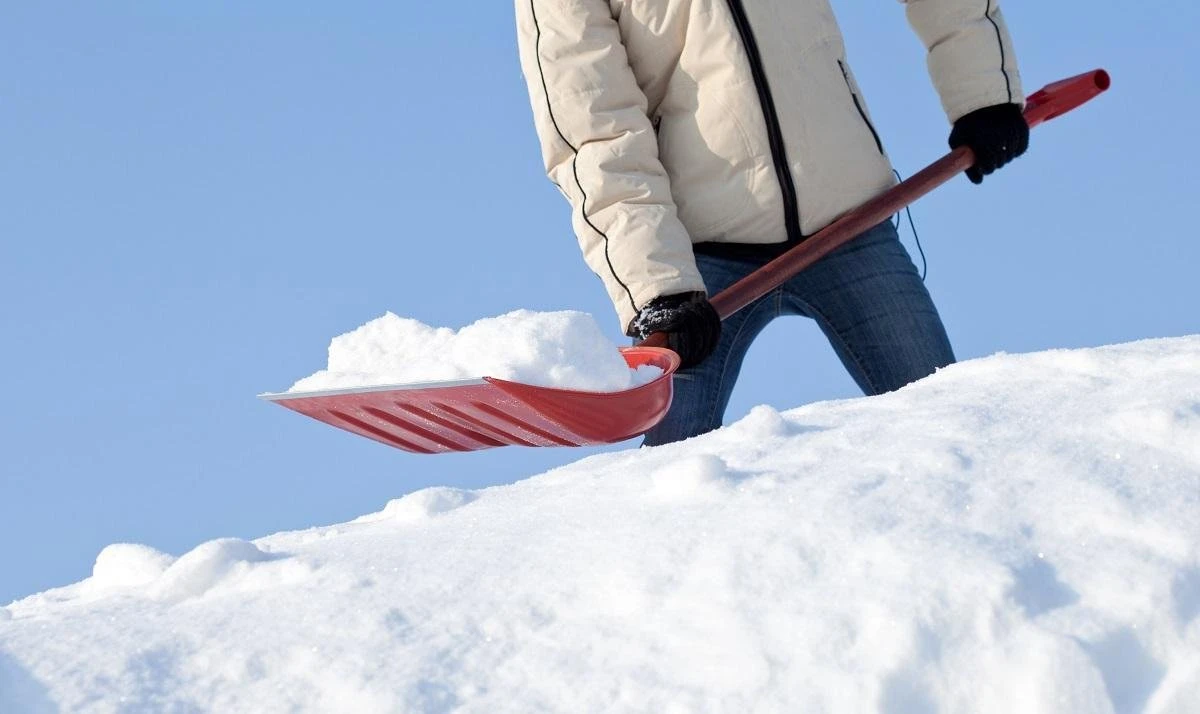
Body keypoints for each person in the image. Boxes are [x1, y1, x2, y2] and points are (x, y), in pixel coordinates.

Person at [514, 0, 1029, 445]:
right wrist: (658, 289)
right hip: (695, 269)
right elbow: (595, 135)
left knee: (952, 430)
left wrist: (984, 91)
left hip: (847, 222)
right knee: (670, 478)